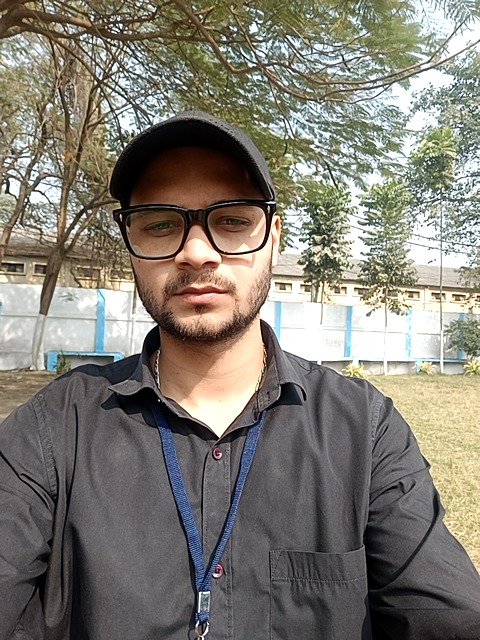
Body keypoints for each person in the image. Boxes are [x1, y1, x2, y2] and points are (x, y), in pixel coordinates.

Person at [0, 111, 479, 640]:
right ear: (129, 241)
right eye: (160, 223)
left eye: (231, 220)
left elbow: (446, 615)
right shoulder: (52, 429)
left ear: (273, 237)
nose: (196, 252)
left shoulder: (365, 430)